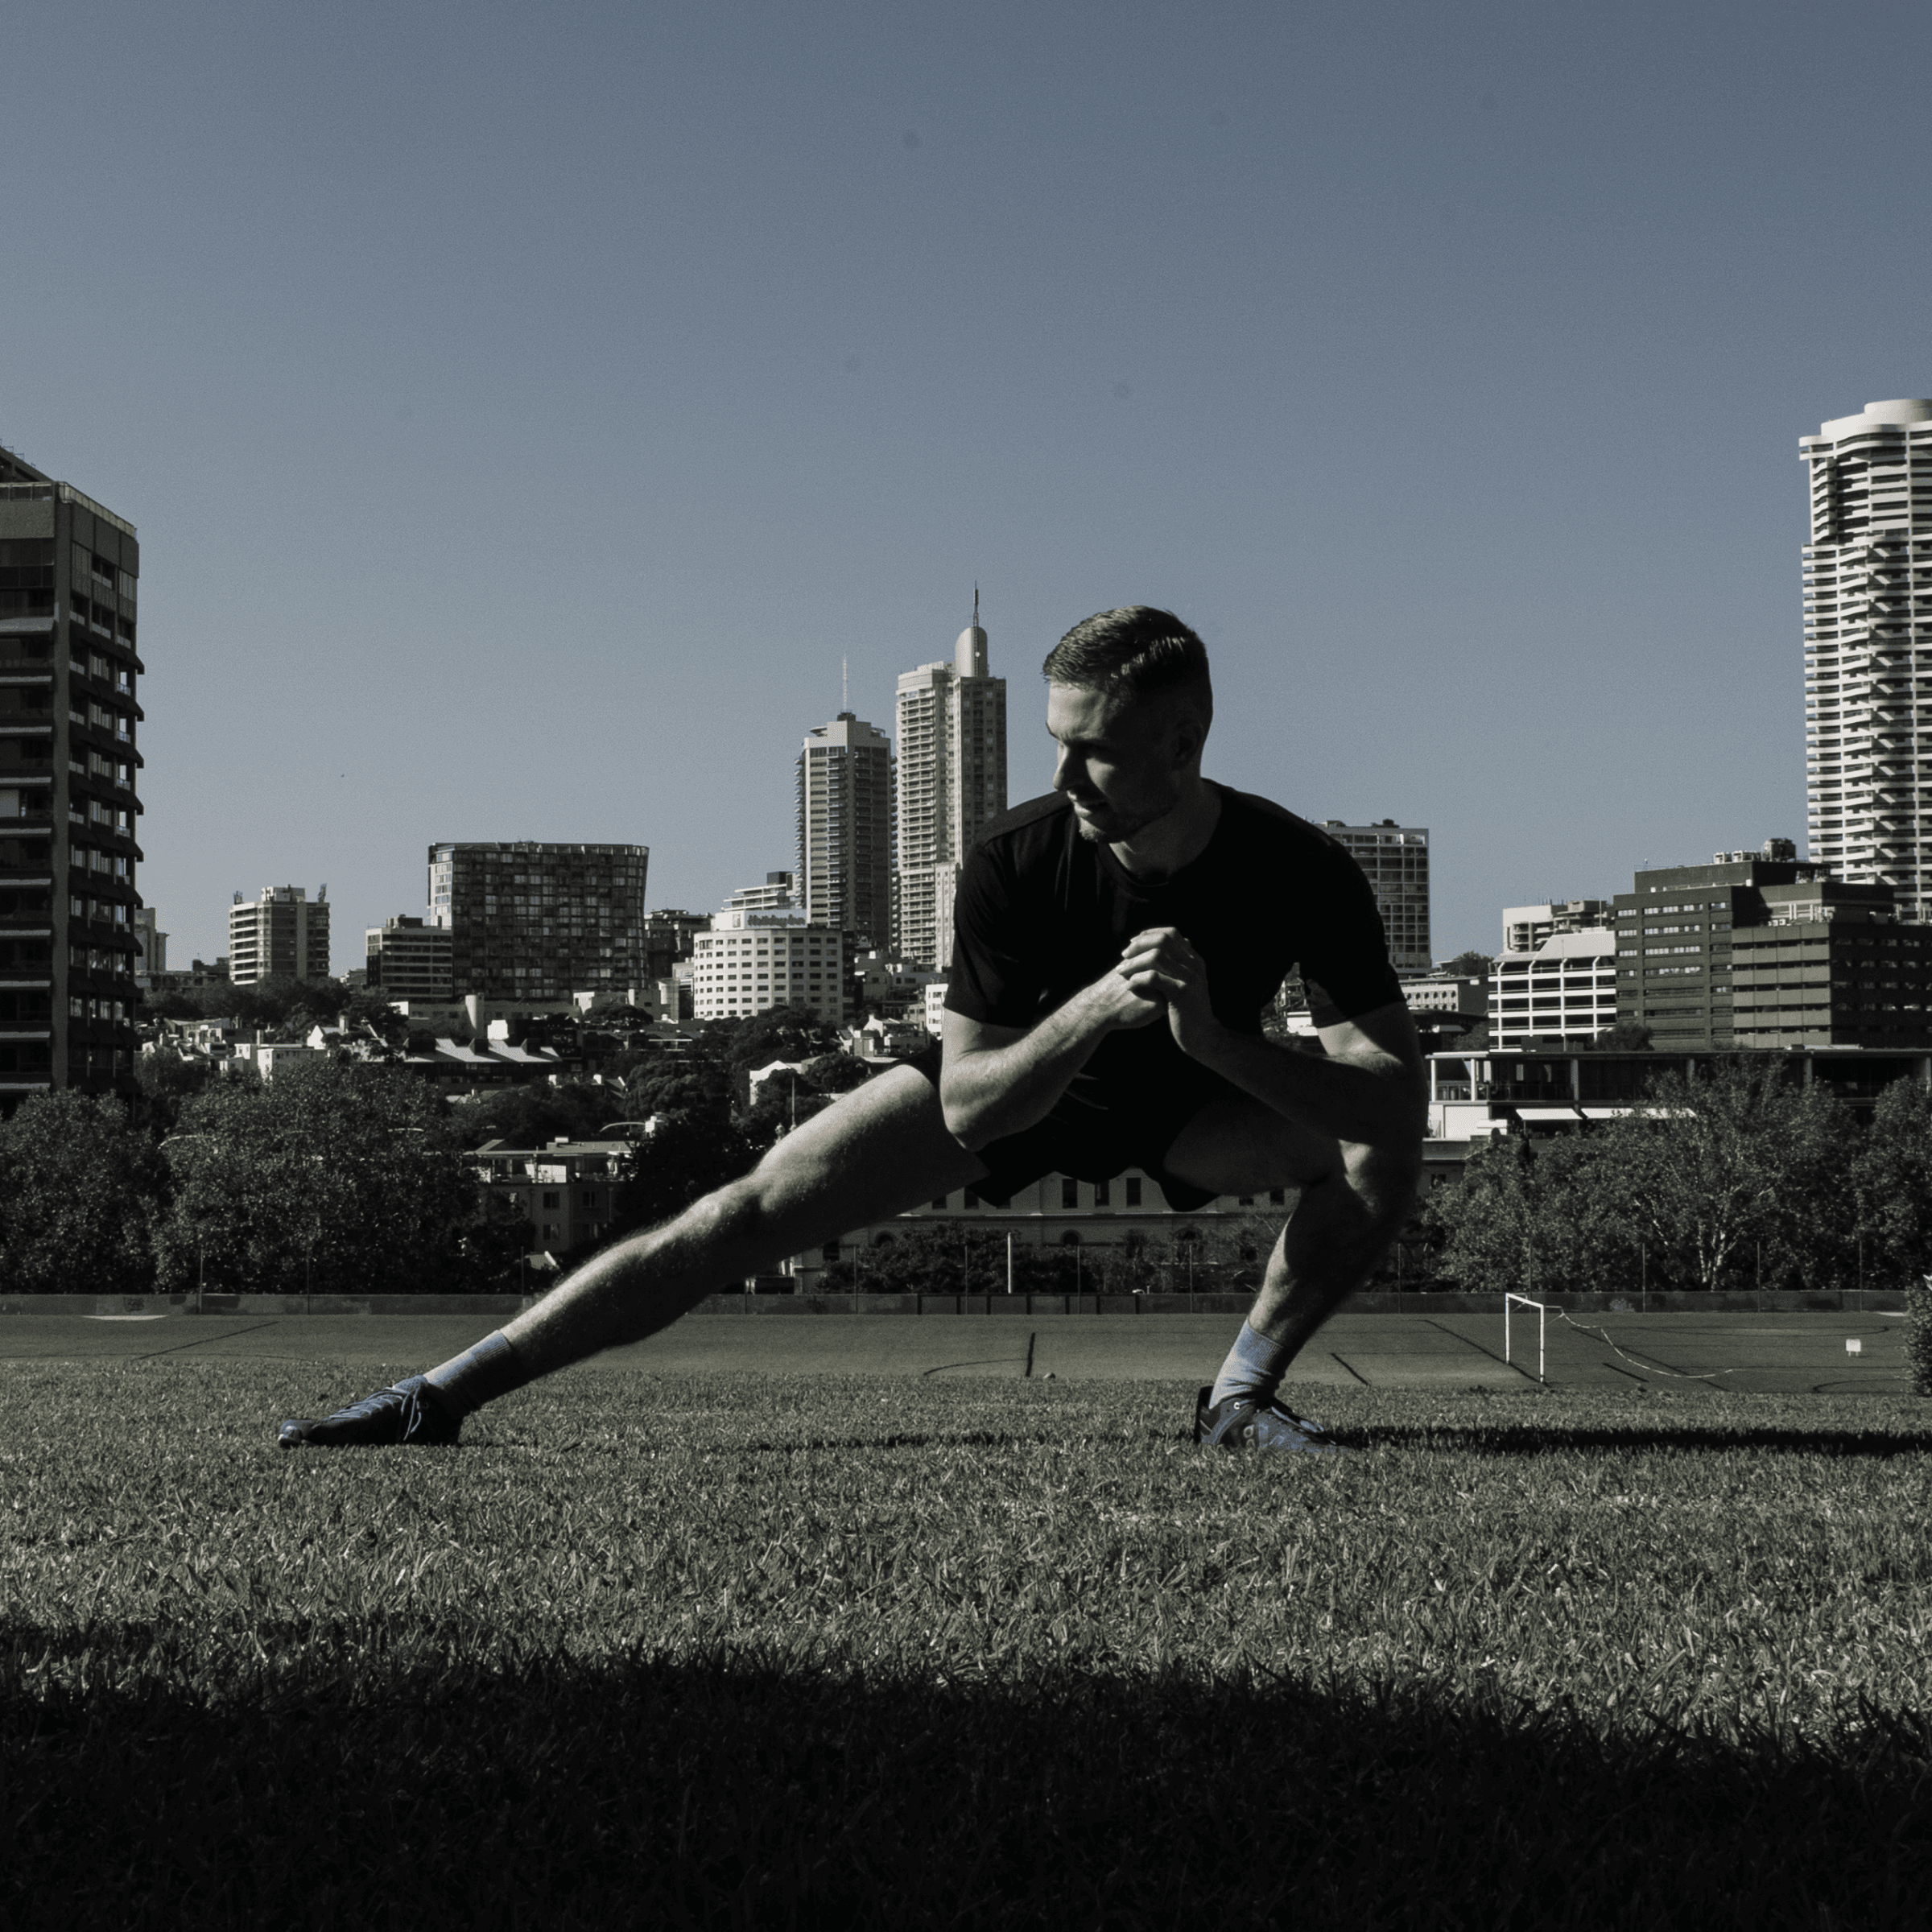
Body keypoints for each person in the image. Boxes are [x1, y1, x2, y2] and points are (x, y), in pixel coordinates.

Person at [280, 607, 1425, 1455]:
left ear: (1185, 745)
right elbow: (975, 1104)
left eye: (1099, 750)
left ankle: (1240, 1397)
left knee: (1377, 1151)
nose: (1066, 772)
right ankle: (439, 1397)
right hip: (1023, 1086)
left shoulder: (1303, 869)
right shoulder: (1013, 861)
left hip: (1196, 1109)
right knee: (742, 1211)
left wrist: (1217, 1040)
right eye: (1056, 741)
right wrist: (1092, 1007)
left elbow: (1388, 1101)